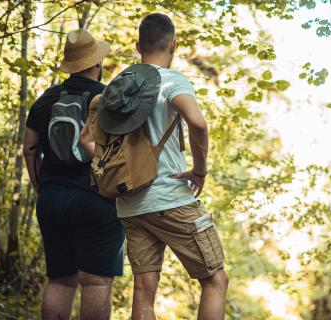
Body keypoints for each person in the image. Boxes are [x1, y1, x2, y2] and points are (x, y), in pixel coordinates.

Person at [85, 13, 229, 320]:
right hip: (169, 198)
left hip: (130, 204)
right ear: (174, 44)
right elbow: (198, 124)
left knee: (144, 291)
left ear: (138, 46)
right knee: (216, 280)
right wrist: (199, 171)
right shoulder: (173, 82)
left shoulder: (117, 86)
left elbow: (90, 142)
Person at [22, 29, 124, 320]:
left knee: (60, 281)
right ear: (97, 64)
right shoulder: (107, 99)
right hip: (96, 199)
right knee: (96, 280)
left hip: (52, 198)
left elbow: (29, 149)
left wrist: (41, 187)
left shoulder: (46, 99)